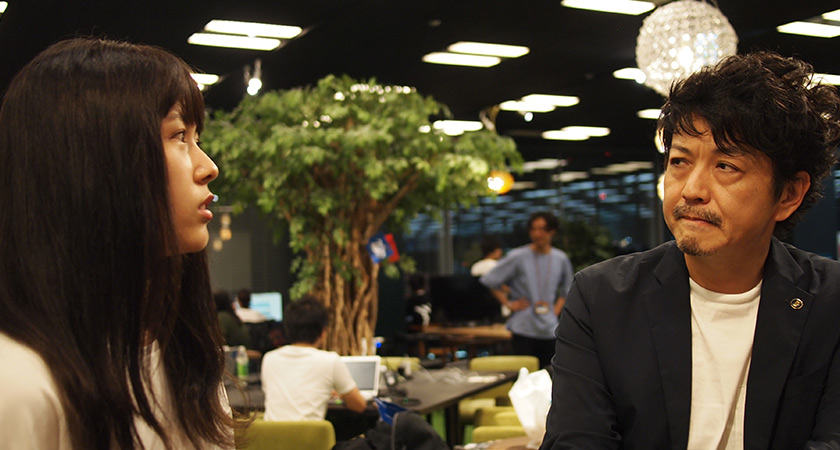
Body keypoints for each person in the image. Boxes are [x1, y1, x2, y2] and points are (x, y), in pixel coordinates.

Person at [541, 51, 840, 449]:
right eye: (680, 161)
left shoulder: (830, 301)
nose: (692, 190)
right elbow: (576, 440)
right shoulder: (603, 298)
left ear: (788, 194)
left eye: (726, 166)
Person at [0, 38, 234, 449]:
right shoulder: (20, 384)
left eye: (196, 138)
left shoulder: (189, 362)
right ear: (92, 164)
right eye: (179, 135)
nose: (208, 167)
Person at [480, 212, 574, 368]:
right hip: (523, 326)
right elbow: (489, 280)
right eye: (533, 229)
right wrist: (509, 303)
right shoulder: (518, 256)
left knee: (550, 374)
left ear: (552, 231)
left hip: (549, 328)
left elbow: (568, 289)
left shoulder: (560, 258)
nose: (537, 234)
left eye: (542, 229)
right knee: (523, 374)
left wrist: (556, 309)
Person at [261, 296, 367, 420]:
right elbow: (359, 405)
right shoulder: (330, 361)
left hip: (272, 432)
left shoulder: (269, 359)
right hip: (310, 433)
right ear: (323, 332)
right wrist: (341, 394)